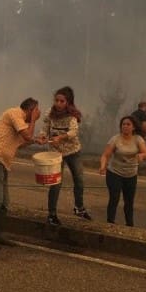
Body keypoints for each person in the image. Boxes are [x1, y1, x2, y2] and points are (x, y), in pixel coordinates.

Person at [0, 98, 44, 249]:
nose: (38, 113)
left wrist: (37, 140)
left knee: (4, 203)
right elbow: (26, 135)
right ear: (31, 109)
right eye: (36, 110)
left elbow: (23, 141)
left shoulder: (20, 124)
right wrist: (33, 120)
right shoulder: (14, 113)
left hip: (2, 163)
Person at [43, 86, 91, 226]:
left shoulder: (73, 116)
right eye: (56, 100)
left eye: (62, 101)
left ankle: (79, 208)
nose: (58, 103)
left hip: (72, 151)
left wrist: (61, 137)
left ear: (68, 102)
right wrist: (42, 137)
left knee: (79, 179)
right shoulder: (49, 114)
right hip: (55, 152)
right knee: (56, 183)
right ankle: (52, 215)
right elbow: (44, 130)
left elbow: (73, 132)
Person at [99, 116, 146, 226]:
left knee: (129, 201)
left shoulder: (138, 139)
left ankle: (129, 225)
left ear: (133, 127)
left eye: (128, 124)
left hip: (131, 174)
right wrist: (103, 166)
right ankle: (110, 223)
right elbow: (105, 155)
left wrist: (142, 155)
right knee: (114, 198)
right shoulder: (115, 139)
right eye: (123, 124)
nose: (125, 126)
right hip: (114, 172)